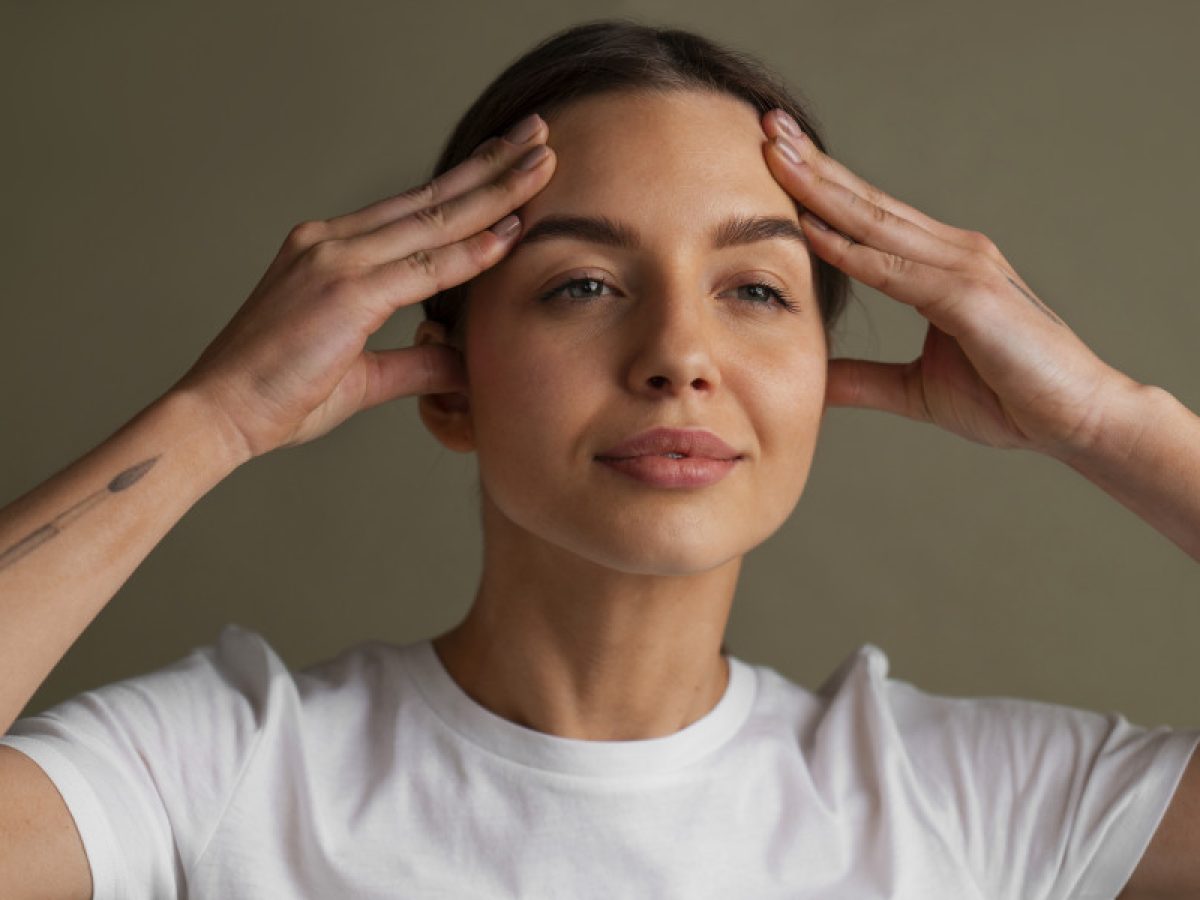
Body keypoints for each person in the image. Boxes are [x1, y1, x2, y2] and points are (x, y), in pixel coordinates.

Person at [1, 18, 1198, 899]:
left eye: (756, 290)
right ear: (449, 383)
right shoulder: (223, 773)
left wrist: (1107, 418)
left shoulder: (975, 806)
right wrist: (213, 418)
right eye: (583, 284)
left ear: (819, 378)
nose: (681, 354)